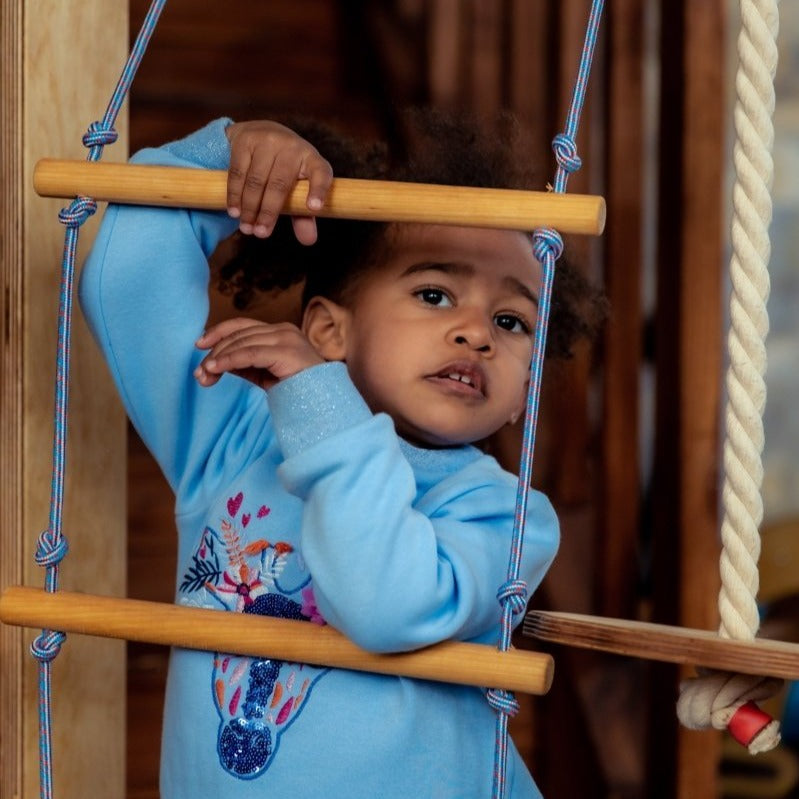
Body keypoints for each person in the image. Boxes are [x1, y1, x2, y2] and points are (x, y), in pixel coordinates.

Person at [79, 112, 603, 798]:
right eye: (434, 293)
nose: (476, 332)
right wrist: (224, 156)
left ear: (520, 396)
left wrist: (323, 408)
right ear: (327, 329)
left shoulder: (504, 517)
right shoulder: (237, 439)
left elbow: (382, 603)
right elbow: (126, 280)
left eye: (511, 322)